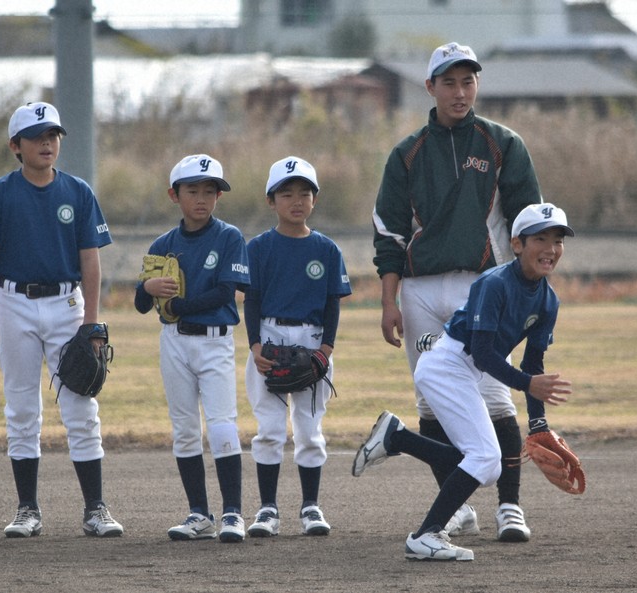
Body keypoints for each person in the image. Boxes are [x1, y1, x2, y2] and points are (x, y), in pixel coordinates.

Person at [371, 41, 544, 541]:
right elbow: (389, 235)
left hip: (483, 286)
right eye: (449, 81)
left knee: (494, 397)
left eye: (468, 81)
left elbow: (528, 221)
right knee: (432, 402)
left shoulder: (502, 144)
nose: (460, 91)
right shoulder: (406, 154)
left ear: (477, 85)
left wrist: (523, 287)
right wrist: (389, 301)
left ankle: (509, 507)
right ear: (430, 87)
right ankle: (455, 505)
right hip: (420, 292)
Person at [354, 202, 574, 561]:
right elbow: (485, 354)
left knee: (482, 462)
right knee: (487, 458)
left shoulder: (548, 301)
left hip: (463, 370)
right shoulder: (495, 283)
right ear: (517, 244)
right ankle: (425, 535)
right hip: (446, 365)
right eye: (541, 238)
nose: (550, 248)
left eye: (558, 240)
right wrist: (526, 385)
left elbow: (533, 363)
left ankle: (398, 438)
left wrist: (538, 424)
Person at [0, 102, 122, 539]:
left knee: (80, 403)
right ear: (16, 146)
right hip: (13, 302)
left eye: (52, 135)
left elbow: (90, 263)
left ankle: (96, 508)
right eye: (36, 137)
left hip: (65, 305)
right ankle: (27, 509)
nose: (46, 143)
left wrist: (91, 323)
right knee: (21, 405)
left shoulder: (77, 191)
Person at [134, 154, 250, 543]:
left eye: (210, 191)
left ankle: (233, 512)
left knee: (221, 426)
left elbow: (224, 292)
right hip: (174, 342)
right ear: (174, 195)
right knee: (184, 430)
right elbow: (139, 302)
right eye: (192, 190)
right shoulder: (163, 243)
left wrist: (178, 304)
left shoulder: (229, 236)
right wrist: (146, 289)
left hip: (214, 341)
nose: (202, 198)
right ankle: (199, 514)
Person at [242, 156, 351, 537]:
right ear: (271, 201)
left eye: (305, 192)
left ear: (314, 200)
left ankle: (310, 507)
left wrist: (326, 350)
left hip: (312, 338)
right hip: (270, 339)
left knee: (309, 430)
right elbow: (251, 299)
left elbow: (332, 304)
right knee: (270, 429)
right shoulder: (258, 248)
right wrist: (255, 345)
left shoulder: (326, 249)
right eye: (286, 193)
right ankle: (268, 509)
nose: (296, 200)